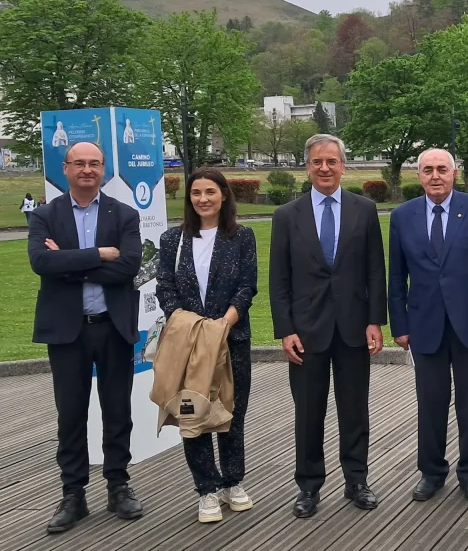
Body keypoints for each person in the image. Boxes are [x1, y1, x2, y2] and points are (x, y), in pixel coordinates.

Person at [27, 141, 144, 534]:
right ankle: (73, 494)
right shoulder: (45, 215)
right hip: (67, 331)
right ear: (66, 168)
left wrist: (68, 262)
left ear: (104, 169)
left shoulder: (124, 214)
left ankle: (118, 485)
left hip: (112, 327)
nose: (87, 170)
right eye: (79, 163)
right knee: (71, 414)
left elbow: (129, 266)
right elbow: (40, 262)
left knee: (117, 411)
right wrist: (100, 254)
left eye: (95, 163)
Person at [269, 134, 386, 518]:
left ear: (342, 166)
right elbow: (279, 280)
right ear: (307, 166)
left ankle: (357, 480)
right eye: (317, 161)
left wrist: (375, 320)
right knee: (308, 413)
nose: (324, 168)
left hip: (353, 328)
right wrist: (285, 329)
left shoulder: (364, 210)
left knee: (355, 411)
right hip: (305, 332)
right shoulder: (287, 216)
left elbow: (375, 270)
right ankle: (308, 486)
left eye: (331, 161)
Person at [389, 149, 468, 503]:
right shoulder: (402, 216)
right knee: (430, 403)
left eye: (442, 169)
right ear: (419, 175)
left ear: (454, 172)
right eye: (428, 170)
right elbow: (396, 277)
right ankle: (431, 472)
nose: (435, 176)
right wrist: (399, 324)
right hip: (424, 325)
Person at [156, 168, 257, 524]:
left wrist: (223, 324)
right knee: (192, 414)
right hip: (188, 343)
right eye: (196, 193)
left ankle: (233, 481)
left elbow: (247, 285)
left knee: (232, 413)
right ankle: (206, 489)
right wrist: (189, 324)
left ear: (223, 194)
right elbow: (164, 286)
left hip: (231, 339)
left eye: (210, 192)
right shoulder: (173, 240)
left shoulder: (242, 237)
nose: (203, 199)